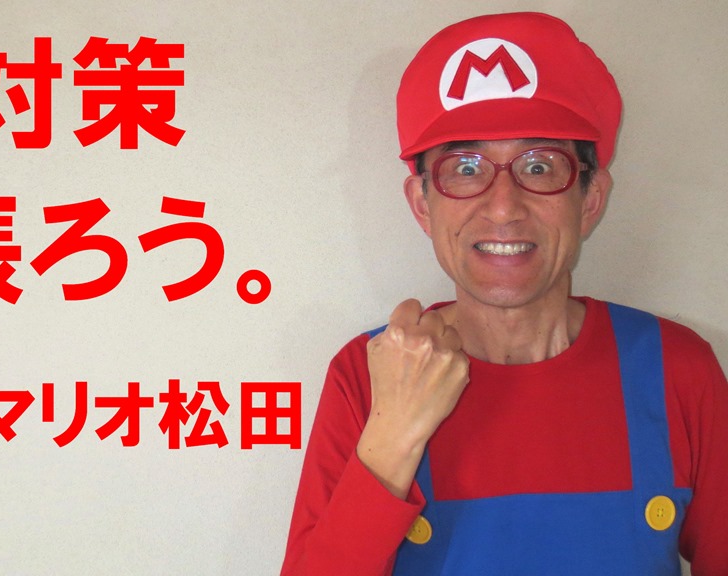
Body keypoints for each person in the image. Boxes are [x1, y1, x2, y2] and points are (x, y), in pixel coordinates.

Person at [280, 12, 728, 576]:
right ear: (421, 204)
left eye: (539, 166)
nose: (502, 207)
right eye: (465, 168)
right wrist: (395, 432)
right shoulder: (369, 374)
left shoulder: (676, 371)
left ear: (590, 199)